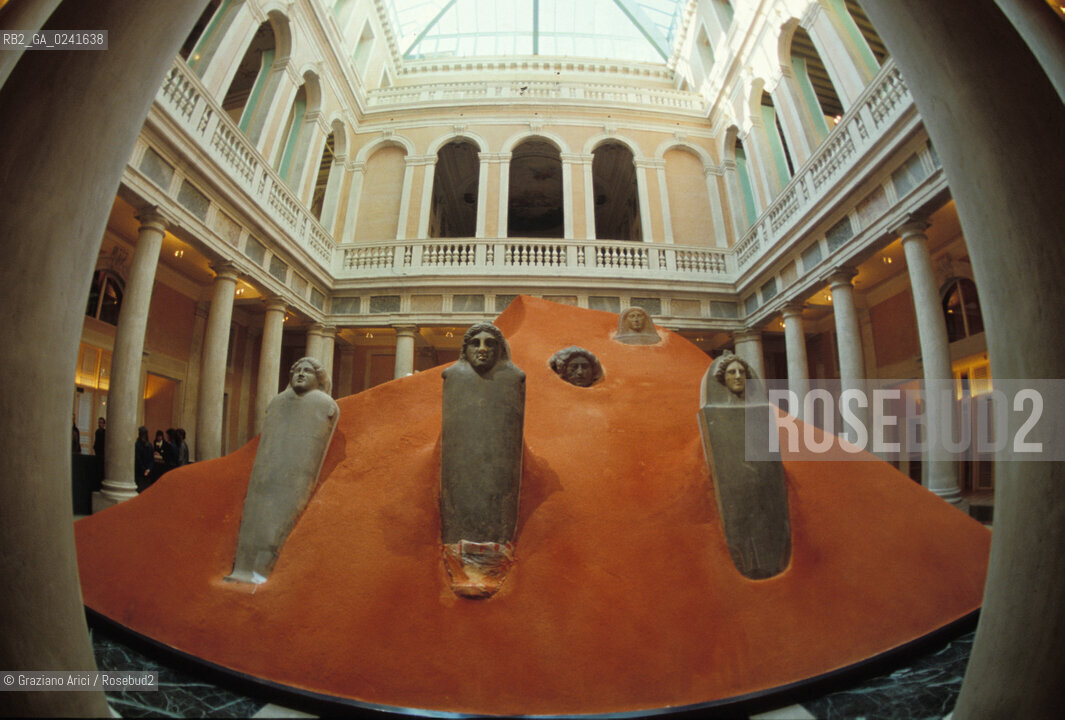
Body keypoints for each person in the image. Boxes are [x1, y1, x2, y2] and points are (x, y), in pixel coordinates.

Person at [134, 426, 153, 491]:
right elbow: (151, 460)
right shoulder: (150, 445)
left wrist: (144, 470)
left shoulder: (137, 445)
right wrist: (149, 469)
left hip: (140, 471)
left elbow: (138, 459)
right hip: (147, 471)